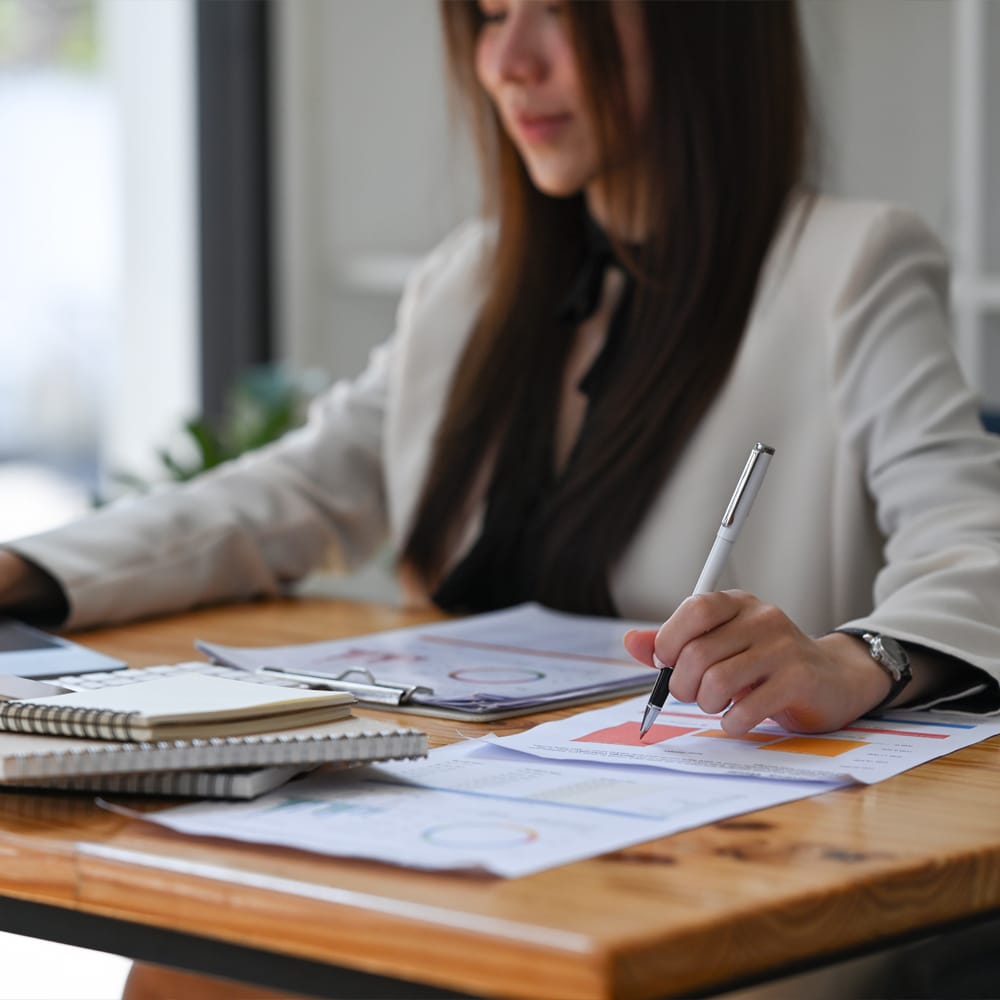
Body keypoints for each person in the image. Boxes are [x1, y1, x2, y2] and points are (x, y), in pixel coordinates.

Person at [2, 1, 1000, 997]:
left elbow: (976, 542)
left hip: (697, 867)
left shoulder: (846, 270)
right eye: (488, 15)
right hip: (467, 817)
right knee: (194, 961)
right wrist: (28, 568)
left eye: (560, 13)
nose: (508, 63)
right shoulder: (469, 283)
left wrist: (852, 659)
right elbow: (288, 491)